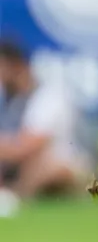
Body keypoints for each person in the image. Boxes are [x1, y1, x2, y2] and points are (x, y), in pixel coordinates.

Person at [0, 39, 89, 211]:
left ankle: (15, 200)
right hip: (21, 167)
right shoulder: (10, 99)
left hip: (69, 167)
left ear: (16, 66)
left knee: (40, 164)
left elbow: (27, 147)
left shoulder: (50, 95)